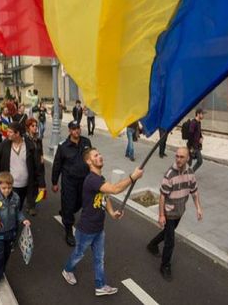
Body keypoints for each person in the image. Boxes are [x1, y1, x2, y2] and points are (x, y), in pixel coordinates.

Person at [61, 148, 144, 296]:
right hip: (86, 229)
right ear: (88, 161)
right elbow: (114, 189)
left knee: (99, 259)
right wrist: (133, 177)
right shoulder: (92, 179)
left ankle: (100, 285)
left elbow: (105, 196)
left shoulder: (100, 179)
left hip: (99, 229)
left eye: (100, 154)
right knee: (79, 254)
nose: (100, 156)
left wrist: (112, 213)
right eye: (96, 155)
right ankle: (67, 270)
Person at [147, 147, 202, 281]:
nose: (178, 159)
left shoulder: (190, 173)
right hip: (169, 212)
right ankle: (165, 266)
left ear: (188, 158)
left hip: (180, 211)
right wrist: (161, 215)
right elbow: (162, 196)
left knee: (167, 233)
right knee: (170, 241)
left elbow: (194, 192)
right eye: (176, 156)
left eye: (181, 157)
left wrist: (198, 208)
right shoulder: (170, 174)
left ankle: (152, 245)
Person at [0, 172, 31, 290]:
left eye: (9, 187)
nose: (7, 190)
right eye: (3, 188)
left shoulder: (16, 197)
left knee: (6, 255)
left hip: (10, 233)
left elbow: (18, 212)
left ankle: (0, 270)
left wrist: (23, 220)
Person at [52, 121, 93, 247]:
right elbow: (57, 165)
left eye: (78, 128)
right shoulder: (63, 146)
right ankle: (68, 230)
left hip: (84, 180)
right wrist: (54, 182)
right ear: (69, 131)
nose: (77, 131)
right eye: (74, 129)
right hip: (69, 181)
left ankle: (65, 212)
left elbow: (91, 158)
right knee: (69, 204)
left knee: (80, 203)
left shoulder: (86, 142)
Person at [0, 122, 38, 211]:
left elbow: (37, 165)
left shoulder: (29, 145)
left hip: (25, 185)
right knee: (8, 208)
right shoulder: (3, 145)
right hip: (9, 184)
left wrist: (41, 183)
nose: (7, 134)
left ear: (17, 133)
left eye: (10, 132)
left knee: (18, 207)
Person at [25, 118, 46, 216]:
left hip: (38, 165)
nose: (35, 128)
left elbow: (41, 151)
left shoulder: (38, 140)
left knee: (38, 186)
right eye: (32, 126)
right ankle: (31, 206)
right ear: (28, 127)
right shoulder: (25, 139)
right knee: (30, 186)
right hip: (29, 166)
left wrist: (42, 159)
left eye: (36, 126)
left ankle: (31, 203)